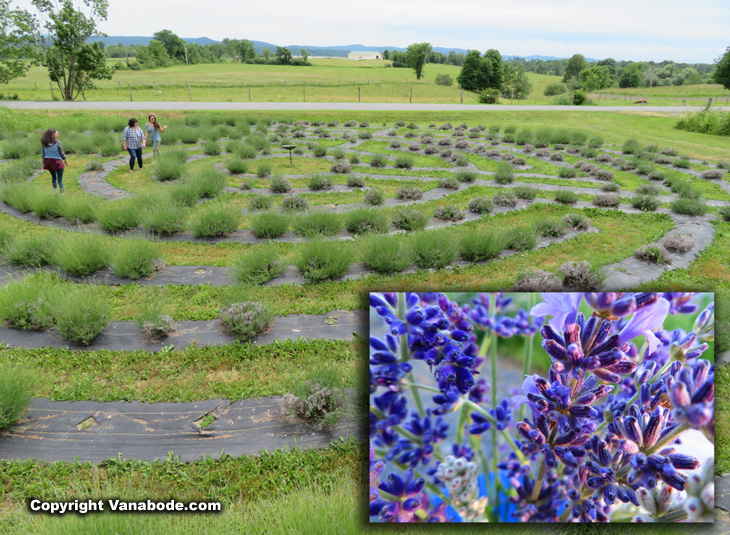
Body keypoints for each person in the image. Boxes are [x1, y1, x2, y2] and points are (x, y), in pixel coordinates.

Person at [40, 128, 67, 193]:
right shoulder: (57, 142)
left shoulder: (44, 143)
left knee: (53, 177)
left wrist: (44, 163)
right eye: (57, 133)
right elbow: (61, 152)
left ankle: (55, 192)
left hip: (48, 162)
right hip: (57, 162)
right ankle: (62, 194)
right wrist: (65, 160)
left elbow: (43, 154)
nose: (58, 135)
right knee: (60, 180)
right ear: (53, 134)